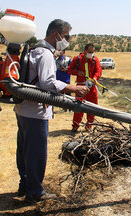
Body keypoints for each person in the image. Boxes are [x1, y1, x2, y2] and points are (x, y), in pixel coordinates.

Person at [14, 19, 89, 203]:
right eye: (66, 36)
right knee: (36, 153)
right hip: (36, 112)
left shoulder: (34, 49)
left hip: (22, 109)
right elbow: (48, 83)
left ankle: (25, 184)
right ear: (56, 34)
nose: (67, 40)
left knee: (24, 151)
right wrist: (74, 88)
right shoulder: (46, 54)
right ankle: (35, 192)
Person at [67, 43, 102, 132]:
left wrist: (95, 78)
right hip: (80, 87)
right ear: (85, 51)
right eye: (90, 52)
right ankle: (75, 125)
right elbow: (69, 70)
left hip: (91, 87)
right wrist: (77, 72)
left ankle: (89, 126)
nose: (91, 53)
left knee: (92, 107)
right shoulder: (77, 59)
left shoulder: (95, 59)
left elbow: (99, 70)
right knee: (78, 107)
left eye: (93, 52)